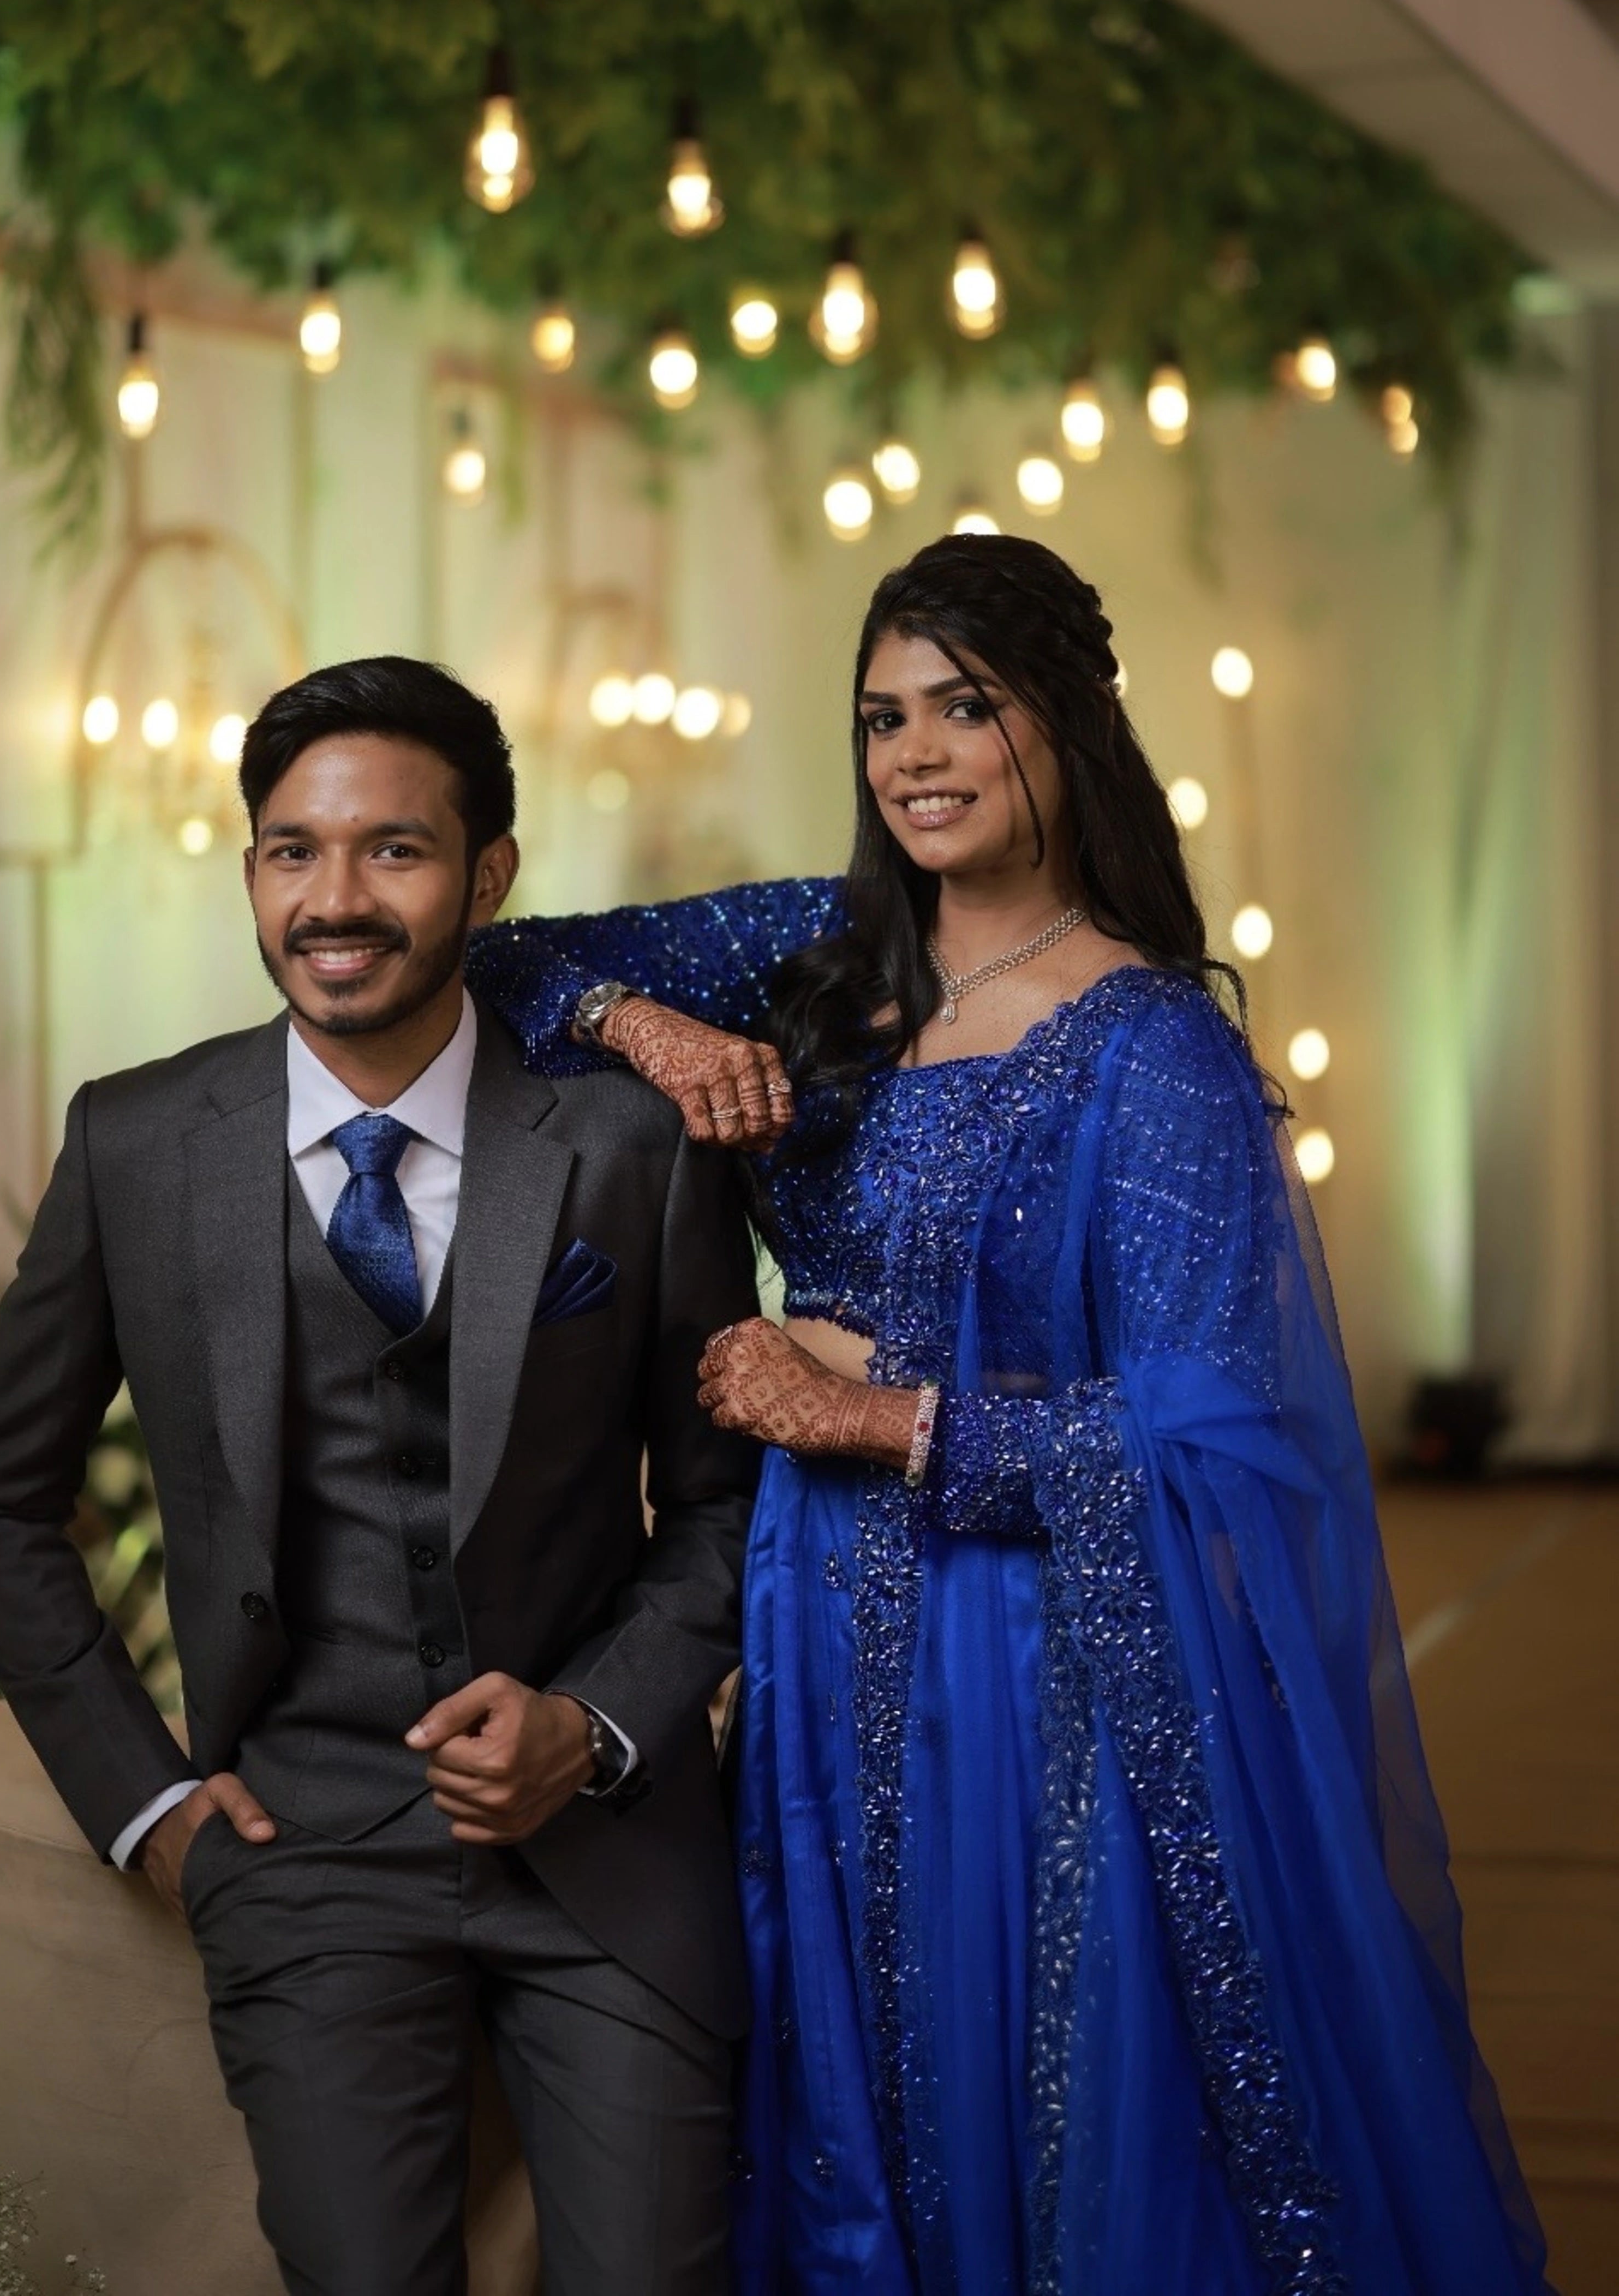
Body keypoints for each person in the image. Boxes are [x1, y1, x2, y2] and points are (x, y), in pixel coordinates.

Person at [468, 534, 1555, 2296]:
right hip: (819, 1649)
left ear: (1066, 723)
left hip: (1044, 1675)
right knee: (850, 2086)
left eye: (965, 708)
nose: (915, 754)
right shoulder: (821, 957)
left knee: (1045, 2099)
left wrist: (877, 1418)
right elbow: (507, 956)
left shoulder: (1155, 1050)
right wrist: (651, 1032)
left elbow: (1224, 1446)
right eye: (883, 715)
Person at [0, 656, 761, 2296]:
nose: (336, 899)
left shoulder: (626, 1150)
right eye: (291, 851)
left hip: (605, 1858)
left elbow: (733, 1507)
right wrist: (155, 1808)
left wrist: (591, 1727)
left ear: (489, 877)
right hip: (303, 1856)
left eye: (393, 850)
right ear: (251, 870)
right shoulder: (136, 1142)